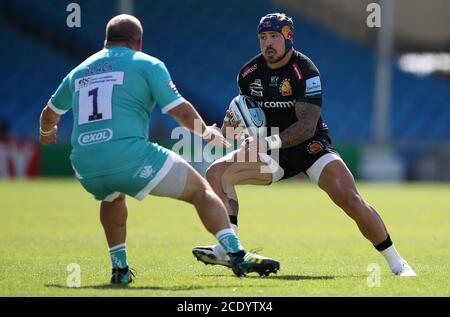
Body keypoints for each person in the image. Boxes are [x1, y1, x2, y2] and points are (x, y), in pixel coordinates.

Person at [39, 14, 280, 284]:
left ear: (105, 41)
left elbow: (49, 115)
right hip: (129, 156)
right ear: (138, 43)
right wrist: (207, 132)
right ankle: (236, 253)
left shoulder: (79, 71)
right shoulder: (147, 64)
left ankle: (120, 270)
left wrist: (46, 134)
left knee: (111, 197)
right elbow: (180, 111)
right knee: (201, 191)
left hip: (84, 164)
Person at [192, 13, 416, 277]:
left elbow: (306, 126)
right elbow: (244, 117)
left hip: (311, 148)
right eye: (263, 38)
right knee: (216, 172)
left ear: (288, 37)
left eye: (274, 36)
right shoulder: (248, 74)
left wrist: (265, 142)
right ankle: (231, 249)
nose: (268, 44)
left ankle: (397, 263)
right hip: (272, 152)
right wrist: (222, 130)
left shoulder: (305, 71)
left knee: (350, 199)